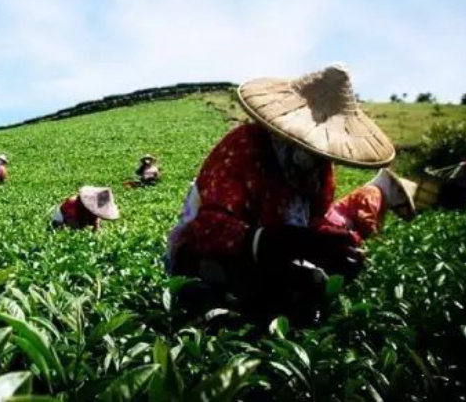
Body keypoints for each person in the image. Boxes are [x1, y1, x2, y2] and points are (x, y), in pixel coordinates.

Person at [166, 64, 395, 324]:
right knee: (218, 305)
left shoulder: (318, 170)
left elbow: (312, 219)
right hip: (204, 257)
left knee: (306, 298)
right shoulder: (245, 146)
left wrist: (335, 242)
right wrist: (295, 242)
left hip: (268, 260)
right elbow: (211, 231)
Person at [320, 168, 417, 242]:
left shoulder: (379, 195)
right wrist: (375, 240)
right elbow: (365, 219)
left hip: (338, 225)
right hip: (335, 225)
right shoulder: (374, 192)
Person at [52, 186, 120, 230]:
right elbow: (73, 224)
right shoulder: (72, 203)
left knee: (92, 223)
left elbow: (97, 216)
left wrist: (96, 226)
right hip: (64, 217)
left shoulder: (95, 207)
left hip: (81, 215)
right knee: (63, 227)